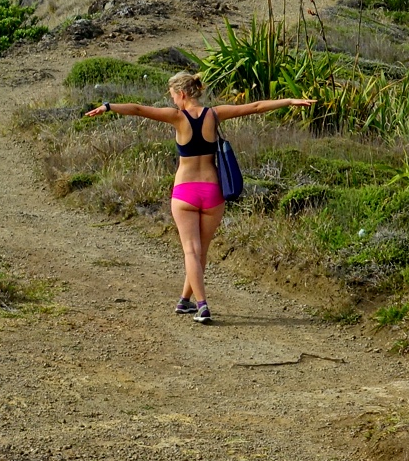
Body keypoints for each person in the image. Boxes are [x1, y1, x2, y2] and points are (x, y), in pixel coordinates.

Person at [83, 72, 313, 324]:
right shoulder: (214, 115)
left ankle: (202, 305)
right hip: (213, 193)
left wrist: (108, 107)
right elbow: (256, 107)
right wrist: (289, 100)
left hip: (185, 192)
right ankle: (184, 301)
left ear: (182, 94)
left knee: (190, 251)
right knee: (200, 251)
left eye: (173, 96)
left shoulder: (176, 117)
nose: (173, 102)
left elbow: (138, 109)